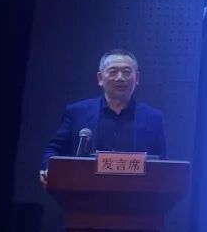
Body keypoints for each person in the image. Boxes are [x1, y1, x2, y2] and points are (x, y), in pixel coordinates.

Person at [39, 49, 167, 185]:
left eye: (126, 72)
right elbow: (53, 150)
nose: (120, 78)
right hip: (85, 190)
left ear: (137, 78)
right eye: (113, 72)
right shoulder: (77, 112)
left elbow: (162, 163)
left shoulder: (153, 118)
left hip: (136, 193)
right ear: (100, 78)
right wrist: (49, 168)